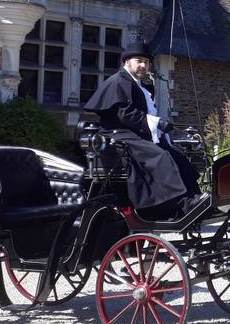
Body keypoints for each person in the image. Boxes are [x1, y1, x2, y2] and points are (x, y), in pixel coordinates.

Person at [83, 39, 204, 218]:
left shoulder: (138, 85)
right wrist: (157, 123)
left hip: (134, 133)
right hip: (118, 135)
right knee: (159, 156)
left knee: (175, 154)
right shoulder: (118, 82)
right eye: (138, 61)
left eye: (146, 62)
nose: (143, 65)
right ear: (126, 62)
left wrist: (160, 127)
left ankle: (195, 197)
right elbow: (126, 114)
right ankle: (179, 204)